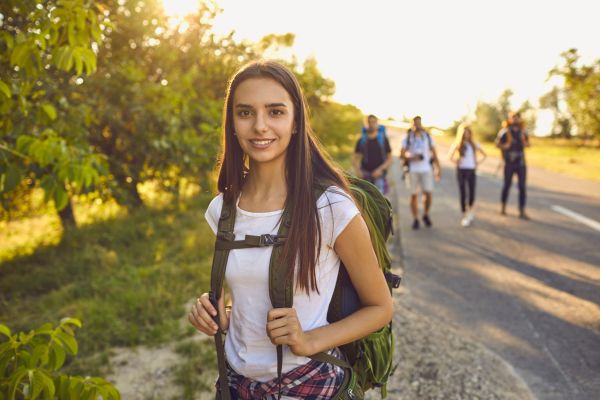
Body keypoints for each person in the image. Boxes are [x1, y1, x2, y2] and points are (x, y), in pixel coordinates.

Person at [187, 60, 393, 399]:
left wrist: (309, 339)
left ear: (296, 121)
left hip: (309, 382)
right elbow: (249, 299)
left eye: (276, 112)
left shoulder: (330, 207)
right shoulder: (221, 209)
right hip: (236, 384)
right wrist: (221, 318)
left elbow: (381, 308)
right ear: (232, 123)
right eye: (245, 113)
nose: (260, 126)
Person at [400, 116, 441, 230]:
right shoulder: (407, 138)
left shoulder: (427, 137)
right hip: (413, 170)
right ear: (412, 124)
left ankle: (426, 214)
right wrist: (412, 156)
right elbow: (402, 154)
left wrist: (438, 168)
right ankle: (415, 218)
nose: (417, 125)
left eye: (419, 123)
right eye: (415, 123)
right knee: (413, 195)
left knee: (428, 193)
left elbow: (434, 153)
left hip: (426, 169)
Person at [448, 123, 487, 227]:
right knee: (463, 192)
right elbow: (450, 156)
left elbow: (484, 155)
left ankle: (470, 210)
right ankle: (465, 214)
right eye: (464, 133)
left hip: (471, 170)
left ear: (470, 134)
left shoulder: (474, 144)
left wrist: (477, 162)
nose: (466, 135)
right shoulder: (458, 144)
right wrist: (456, 161)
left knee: (472, 193)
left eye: (468, 133)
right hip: (461, 170)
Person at [495, 111, 530, 219]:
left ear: (520, 119)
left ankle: (522, 211)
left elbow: (528, 144)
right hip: (509, 163)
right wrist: (504, 146)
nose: (515, 119)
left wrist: (525, 143)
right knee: (507, 185)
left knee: (522, 187)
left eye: (517, 117)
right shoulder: (504, 132)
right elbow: (497, 143)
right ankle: (503, 207)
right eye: (513, 117)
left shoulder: (523, 131)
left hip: (521, 163)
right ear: (509, 119)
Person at [352, 114, 392, 194]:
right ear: (365, 124)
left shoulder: (383, 140)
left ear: (377, 124)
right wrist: (358, 170)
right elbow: (354, 157)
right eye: (369, 122)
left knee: (379, 203)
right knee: (365, 201)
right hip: (364, 175)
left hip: (379, 176)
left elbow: (390, 158)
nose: (371, 124)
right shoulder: (361, 140)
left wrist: (380, 169)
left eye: (373, 122)